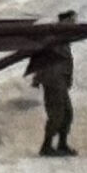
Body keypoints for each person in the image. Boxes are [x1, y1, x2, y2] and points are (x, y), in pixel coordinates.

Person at [31, 26, 76, 157]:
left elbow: (68, 64)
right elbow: (41, 59)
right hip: (51, 82)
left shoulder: (64, 41)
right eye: (71, 21)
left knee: (67, 113)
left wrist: (68, 80)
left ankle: (62, 144)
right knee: (56, 115)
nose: (73, 23)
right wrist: (38, 78)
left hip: (61, 82)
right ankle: (46, 146)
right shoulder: (52, 40)